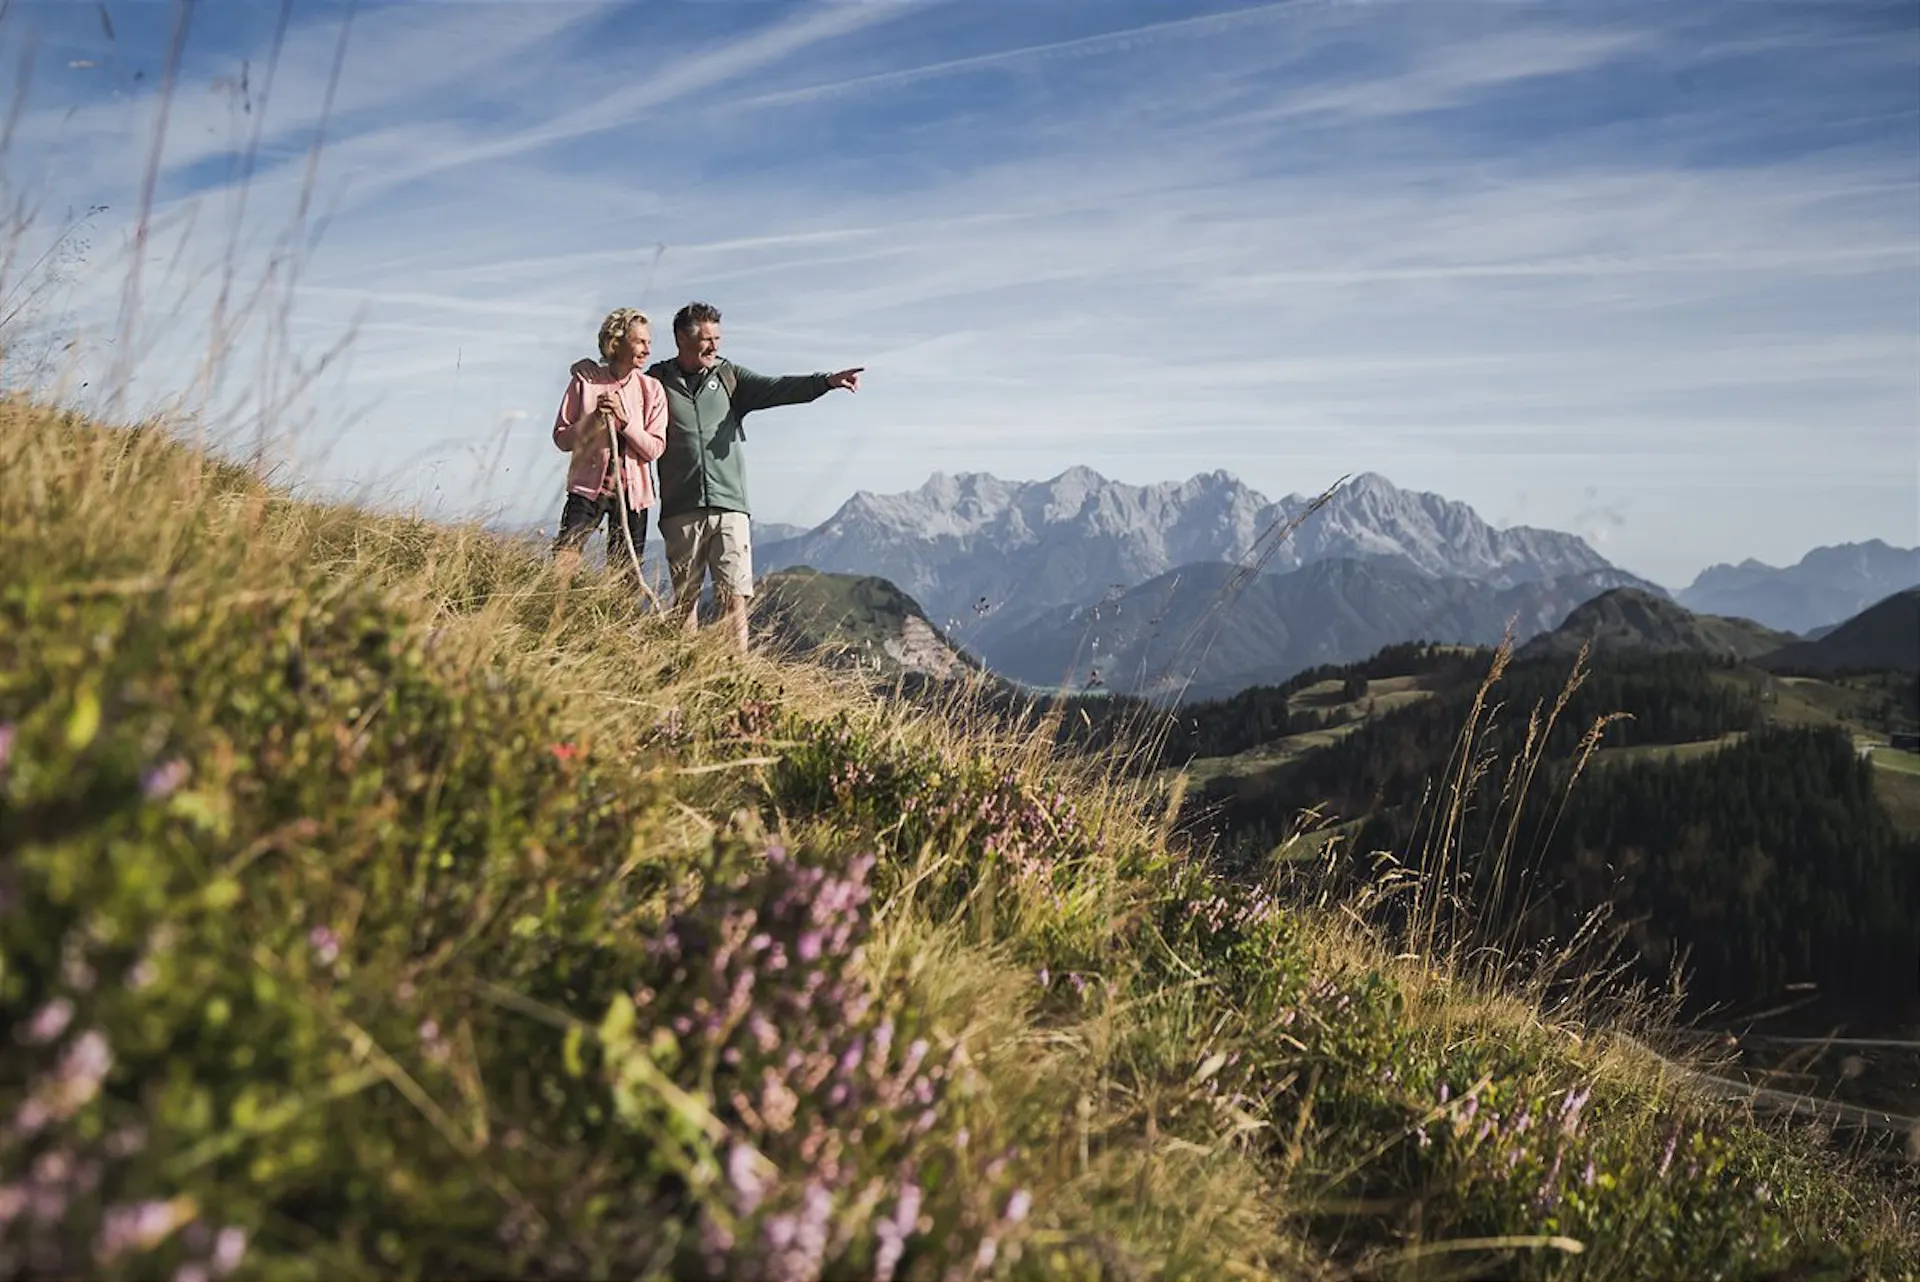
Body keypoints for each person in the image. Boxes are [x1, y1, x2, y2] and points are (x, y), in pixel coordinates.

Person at [641, 300, 862, 653]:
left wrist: (826, 382)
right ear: (682, 338)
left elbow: (778, 387)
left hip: (731, 506)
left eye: (718, 338)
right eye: (707, 338)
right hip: (681, 508)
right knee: (686, 603)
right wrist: (592, 368)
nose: (715, 346)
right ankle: (682, 674)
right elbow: (618, 385)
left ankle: (737, 678)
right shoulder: (655, 381)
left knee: (734, 599)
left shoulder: (730, 377)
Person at [550, 307, 669, 598]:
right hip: (586, 489)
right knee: (566, 555)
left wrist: (625, 421)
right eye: (640, 341)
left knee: (626, 572)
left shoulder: (652, 389)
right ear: (616, 343)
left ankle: (618, 630)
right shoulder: (586, 381)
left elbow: (655, 448)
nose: (647, 349)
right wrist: (592, 420)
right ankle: (554, 610)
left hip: (634, 496)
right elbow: (562, 439)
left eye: (648, 342)